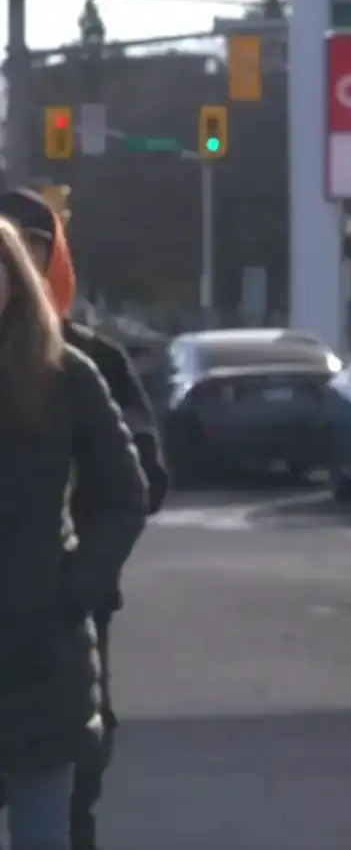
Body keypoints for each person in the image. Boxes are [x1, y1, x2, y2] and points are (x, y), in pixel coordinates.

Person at [0, 186, 166, 850]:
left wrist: (74, 589)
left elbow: (132, 487)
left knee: (55, 823)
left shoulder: (70, 369)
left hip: (42, 651)